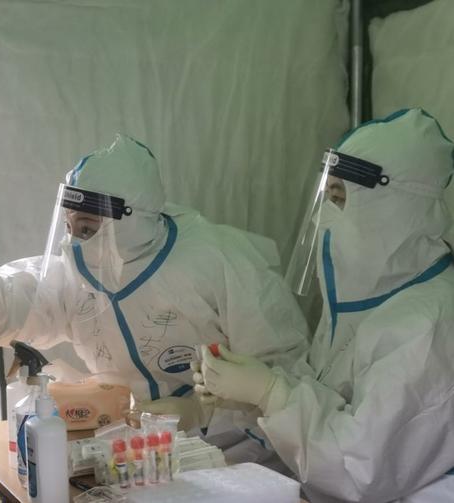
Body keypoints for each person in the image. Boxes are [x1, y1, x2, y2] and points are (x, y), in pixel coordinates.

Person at [0, 133, 309, 461]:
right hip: (132, 450)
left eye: (87, 227)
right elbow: (16, 309)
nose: (74, 241)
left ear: (130, 220)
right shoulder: (78, 269)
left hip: (232, 454)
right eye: (69, 225)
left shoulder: (220, 261)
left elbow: (282, 375)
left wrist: (202, 412)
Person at [194, 108, 454, 502]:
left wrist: (270, 393)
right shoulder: (366, 301)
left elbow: (358, 471)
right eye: (326, 197)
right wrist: (247, 394)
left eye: (339, 199)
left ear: (394, 206)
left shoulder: (427, 322)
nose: (324, 221)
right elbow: (324, 391)